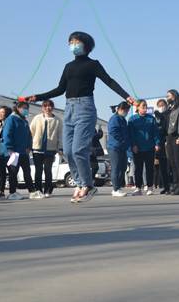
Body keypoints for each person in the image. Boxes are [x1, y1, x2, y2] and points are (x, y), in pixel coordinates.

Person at [27, 31, 136, 203]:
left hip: (85, 108)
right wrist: (38, 97)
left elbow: (109, 81)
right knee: (67, 151)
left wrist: (126, 96)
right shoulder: (68, 66)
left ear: (86, 45)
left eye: (76, 42)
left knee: (78, 149)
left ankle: (88, 185)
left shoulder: (93, 64)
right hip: (69, 109)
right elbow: (60, 89)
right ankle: (80, 184)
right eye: (70, 42)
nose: (73, 45)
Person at [29, 99, 63, 198]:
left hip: (50, 149)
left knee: (48, 170)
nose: (48, 108)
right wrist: (29, 144)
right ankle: (38, 190)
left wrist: (60, 147)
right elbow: (31, 132)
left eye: (50, 106)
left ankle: (48, 190)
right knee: (38, 171)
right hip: (37, 149)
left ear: (53, 107)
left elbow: (60, 135)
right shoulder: (37, 118)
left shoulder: (58, 120)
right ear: (42, 107)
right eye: (45, 106)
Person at [3, 101, 36, 200]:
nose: (26, 110)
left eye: (27, 108)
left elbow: (29, 135)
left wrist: (29, 146)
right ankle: (12, 193)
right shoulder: (11, 119)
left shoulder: (25, 121)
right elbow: (7, 134)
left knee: (27, 172)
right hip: (13, 152)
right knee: (13, 173)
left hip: (23, 152)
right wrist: (10, 148)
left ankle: (32, 192)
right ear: (18, 108)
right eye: (24, 108)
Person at [129, 100, 160, 196]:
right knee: (138, 169)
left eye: (146, 105)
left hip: (150, 147)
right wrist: (133, 145)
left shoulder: (151, 119)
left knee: (149, 168)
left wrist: (157, 143)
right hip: (137, 148)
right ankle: (138, 188)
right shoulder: (132, 119)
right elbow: (131, 134)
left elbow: (155, 132)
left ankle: (150, 187)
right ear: (137, 107)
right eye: (143, 106)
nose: (145, 107)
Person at [107, 101, 130, 197]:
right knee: (116, 167)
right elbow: (112, 130)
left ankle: (118, 187)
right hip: (114, 146)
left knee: (123, 167)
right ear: (121, 110)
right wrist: (121, 139)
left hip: (122, 147)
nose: (127, 113)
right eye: (126, 111)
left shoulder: (123, 119)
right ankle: (115, 188)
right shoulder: (115, 118)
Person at [153, 98, 170, 193]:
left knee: (169, 166)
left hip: (168, 143)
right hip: (160, 144)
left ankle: (173, 184)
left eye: (163, 105)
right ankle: (165, 185)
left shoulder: (169, 115)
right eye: (159, 106)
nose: (161, 107)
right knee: (162, 167)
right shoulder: (156, 117)